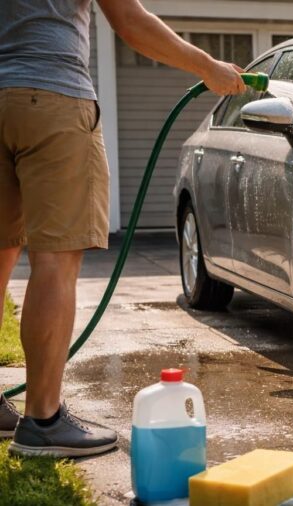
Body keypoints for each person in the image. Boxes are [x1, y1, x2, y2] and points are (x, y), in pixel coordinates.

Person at [0, 0, 246, 458]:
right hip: (51, 99)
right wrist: (207, 66)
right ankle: (42, 421)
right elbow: (130, 21)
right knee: (54, 262)